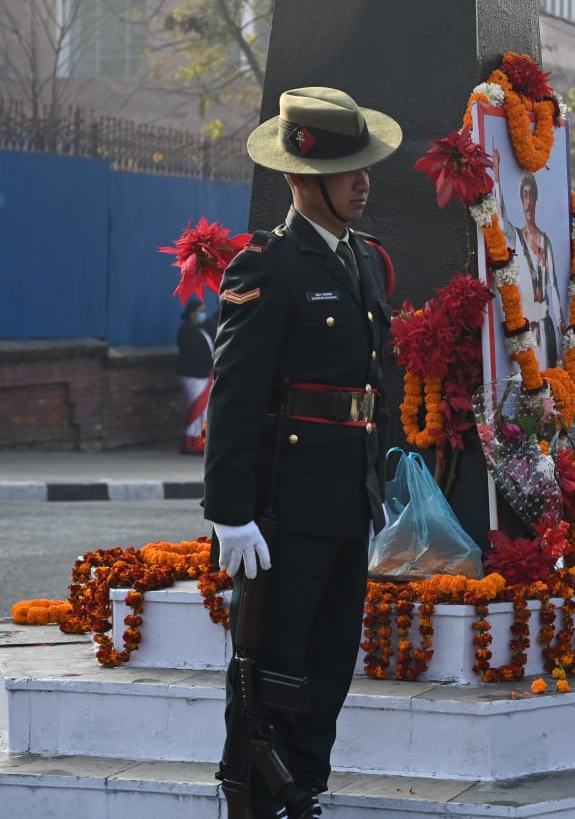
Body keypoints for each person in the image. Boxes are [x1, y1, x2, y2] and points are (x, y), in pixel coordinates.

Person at [204, 87, 401, 818]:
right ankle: (255, 796)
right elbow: (235, 393)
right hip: (285, 507)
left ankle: (305, 790)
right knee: (271, 664)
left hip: (346, 499)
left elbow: (374, 384)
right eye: (347, 169)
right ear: (298, 178)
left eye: (365, 165)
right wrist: (230, 512)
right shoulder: (269, 266)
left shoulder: (365, 262)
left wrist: (386, 476)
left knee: (328, 665)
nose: (364, 180)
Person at [511, 171, 561, 367]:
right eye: (524, 194)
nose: (528, 200)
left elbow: (554, 286)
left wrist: (560, 322)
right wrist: (496, 179)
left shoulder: (544, 240)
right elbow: (499, 215)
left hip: (545, 325)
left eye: (531, 194)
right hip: (525, 330)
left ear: (536, 198)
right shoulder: (516, 237)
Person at [176, 298, 214, 455]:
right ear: (191, 314)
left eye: (204, 311)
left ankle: (201, 442)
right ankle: (191, 444)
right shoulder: (186, 331)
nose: (203, 314)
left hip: (204, 375)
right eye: (200, 311)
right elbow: (198, 353)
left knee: (204, 412)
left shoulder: (202, 329)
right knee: (198, 411)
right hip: (194, 376)